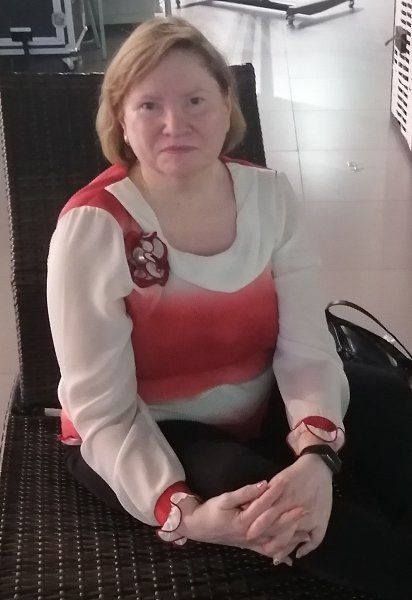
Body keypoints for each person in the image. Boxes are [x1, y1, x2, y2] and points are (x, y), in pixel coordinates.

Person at [47, 16, 412, 599]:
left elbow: (306, 346)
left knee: (392, 401)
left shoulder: (270, 197)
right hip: (150, 426)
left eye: (195, 100)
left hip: (261, 396)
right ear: (121, 120)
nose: (175, 124)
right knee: (259, 497)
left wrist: (318, 454)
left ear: (225, 106)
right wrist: (184, 514)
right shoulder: (94, 228)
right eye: (149, 106)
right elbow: (103, 410)